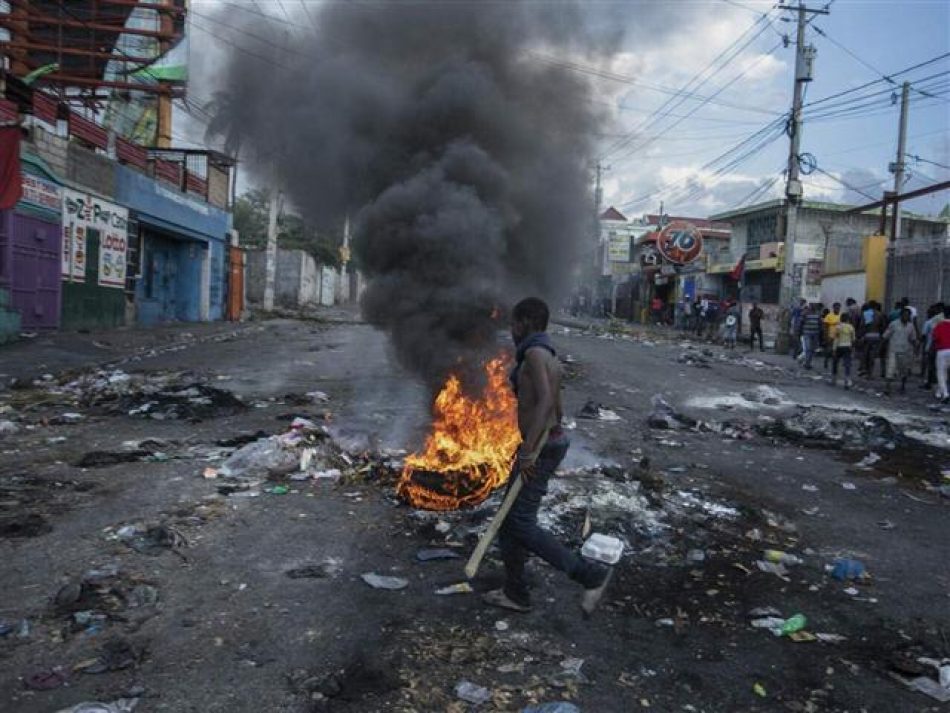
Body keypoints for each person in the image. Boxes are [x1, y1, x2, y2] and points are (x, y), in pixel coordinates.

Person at [484, 297, 611, 615]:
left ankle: (590, 575)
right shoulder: (547, 354)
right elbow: (557, 406)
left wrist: (529, 452)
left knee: (521, 523)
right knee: (510, 521)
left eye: (514, 324)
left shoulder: (536, 354)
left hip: (539, 449)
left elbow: (543, 403)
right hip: (545, 443)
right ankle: (515, 592)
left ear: (525, 322)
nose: (512, 331)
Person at [882, 307, 918, 394]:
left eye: (908, 316)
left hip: (905, 351)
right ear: (901, 315)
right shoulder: (893, 324)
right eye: (904, 315)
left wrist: (916, 349)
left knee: (904, 370)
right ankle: (887, 387)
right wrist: (882, 347)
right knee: (891, 369)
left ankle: (903, 386)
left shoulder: (911, 326)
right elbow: (885, 336)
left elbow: (913, 339)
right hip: (893, 350)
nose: (906, 317)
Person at [920, 303, 944, 389]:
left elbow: (928, 335)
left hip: (933, 346)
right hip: (943, 347)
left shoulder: (933, 321)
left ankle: (930, 383)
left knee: (931, 366)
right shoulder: (939, 320)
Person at [859, 301, 885, 379]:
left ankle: (866, 371)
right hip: (876, 336)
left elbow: (863, 326)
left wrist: (860, 336)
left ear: (870, 306)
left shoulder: (867, 314)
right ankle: (870, 373)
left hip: (868, 336)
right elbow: (882, 326)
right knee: (872, 355)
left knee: (866, 354)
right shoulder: (880, 314)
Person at [831, 313, 856, 388]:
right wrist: (853, 348)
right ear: (848, 319)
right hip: (847, 346)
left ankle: (834, 379)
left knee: (835, 362)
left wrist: (834, 349)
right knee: (847, 364)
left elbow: (836, 338)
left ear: (840, 319)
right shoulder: (851, 327)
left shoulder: (838, 327)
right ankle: (847, 380)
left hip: (839, 346)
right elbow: (853, 339)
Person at [932, 305, 950, 402]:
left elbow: (935, 338)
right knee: (946, 373)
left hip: (942, 351)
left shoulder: (940, 325)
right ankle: (939, 392)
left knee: (941, 373)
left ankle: (945, 394)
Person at [800, 304, 822, 369]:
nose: (812, 307)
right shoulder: (805, 313)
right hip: (807, 333)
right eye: (811, 305)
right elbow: (801, 322)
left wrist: (820, 332)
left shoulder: (818, 314)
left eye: (813, 305)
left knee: (812, 349)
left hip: (815, 334)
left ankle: (808, 363)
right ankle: (807, 363)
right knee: (808, 348)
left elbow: (820, 323)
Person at [823, 303, 841, 370]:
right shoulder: (829, 316)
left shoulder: (841, 316)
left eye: (838, 308)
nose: (837, 309)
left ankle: (834, 363)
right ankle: (826, 361)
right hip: (830, 335)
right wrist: (826, 335)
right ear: (833, 308)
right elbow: (825, 326)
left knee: (836, 350)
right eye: (836, 308)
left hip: (838, 336)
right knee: (829, 349)